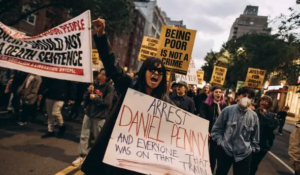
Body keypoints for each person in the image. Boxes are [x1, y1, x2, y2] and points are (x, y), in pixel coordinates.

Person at [81, 18, 172, 175]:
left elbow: (177, 127)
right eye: (152, 69)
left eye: (160, 72)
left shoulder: (164, 101)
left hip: (142, 160)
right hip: (118, 152)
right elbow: (111, 64)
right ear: (144, 72)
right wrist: (101, 36)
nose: (156, 73)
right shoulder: (130, 85)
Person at [211, 87, 260, 175]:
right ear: (238, 97)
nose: (246, 99)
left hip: (244, 155)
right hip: (226, 151)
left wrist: (252, 149)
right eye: (244, 96)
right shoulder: (227, 111)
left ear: (252, 100)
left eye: (249, 97)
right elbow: (216, 130)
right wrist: (220, 142)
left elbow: (255, 136)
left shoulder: (254, 116)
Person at [72, 68, 115, 167]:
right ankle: (82, 156)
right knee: (84, 136)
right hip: (89, 113)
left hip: (99, 117)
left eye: (103, 74)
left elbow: (107, 103)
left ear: (107, 77)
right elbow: (85, 98)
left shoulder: (109, 88)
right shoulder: (94, 84)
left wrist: (95, 98)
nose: (100, 76)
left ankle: (96, 159)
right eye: (100, 74)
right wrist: (88, 92)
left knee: (97, 139)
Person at [200, 86, 227, 173]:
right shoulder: (206, 104)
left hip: (221, 134)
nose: (218, 94)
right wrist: (205, 130)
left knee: (217, 155)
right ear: (212, 94)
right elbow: (203, 118)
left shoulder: (224, 106)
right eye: (216, 92)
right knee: (207, 154)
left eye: (220, 92)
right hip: (209, 132)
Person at [250, 95, 278, 175]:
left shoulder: (272, 115)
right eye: (262, 100)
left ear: (269, 104)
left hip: (263, 145)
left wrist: (265, 115)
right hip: (250, 142)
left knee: (254, 164)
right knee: (247, 164)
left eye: (266, 101)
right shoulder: (253, 112)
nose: (263, 102)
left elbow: (272, 127)